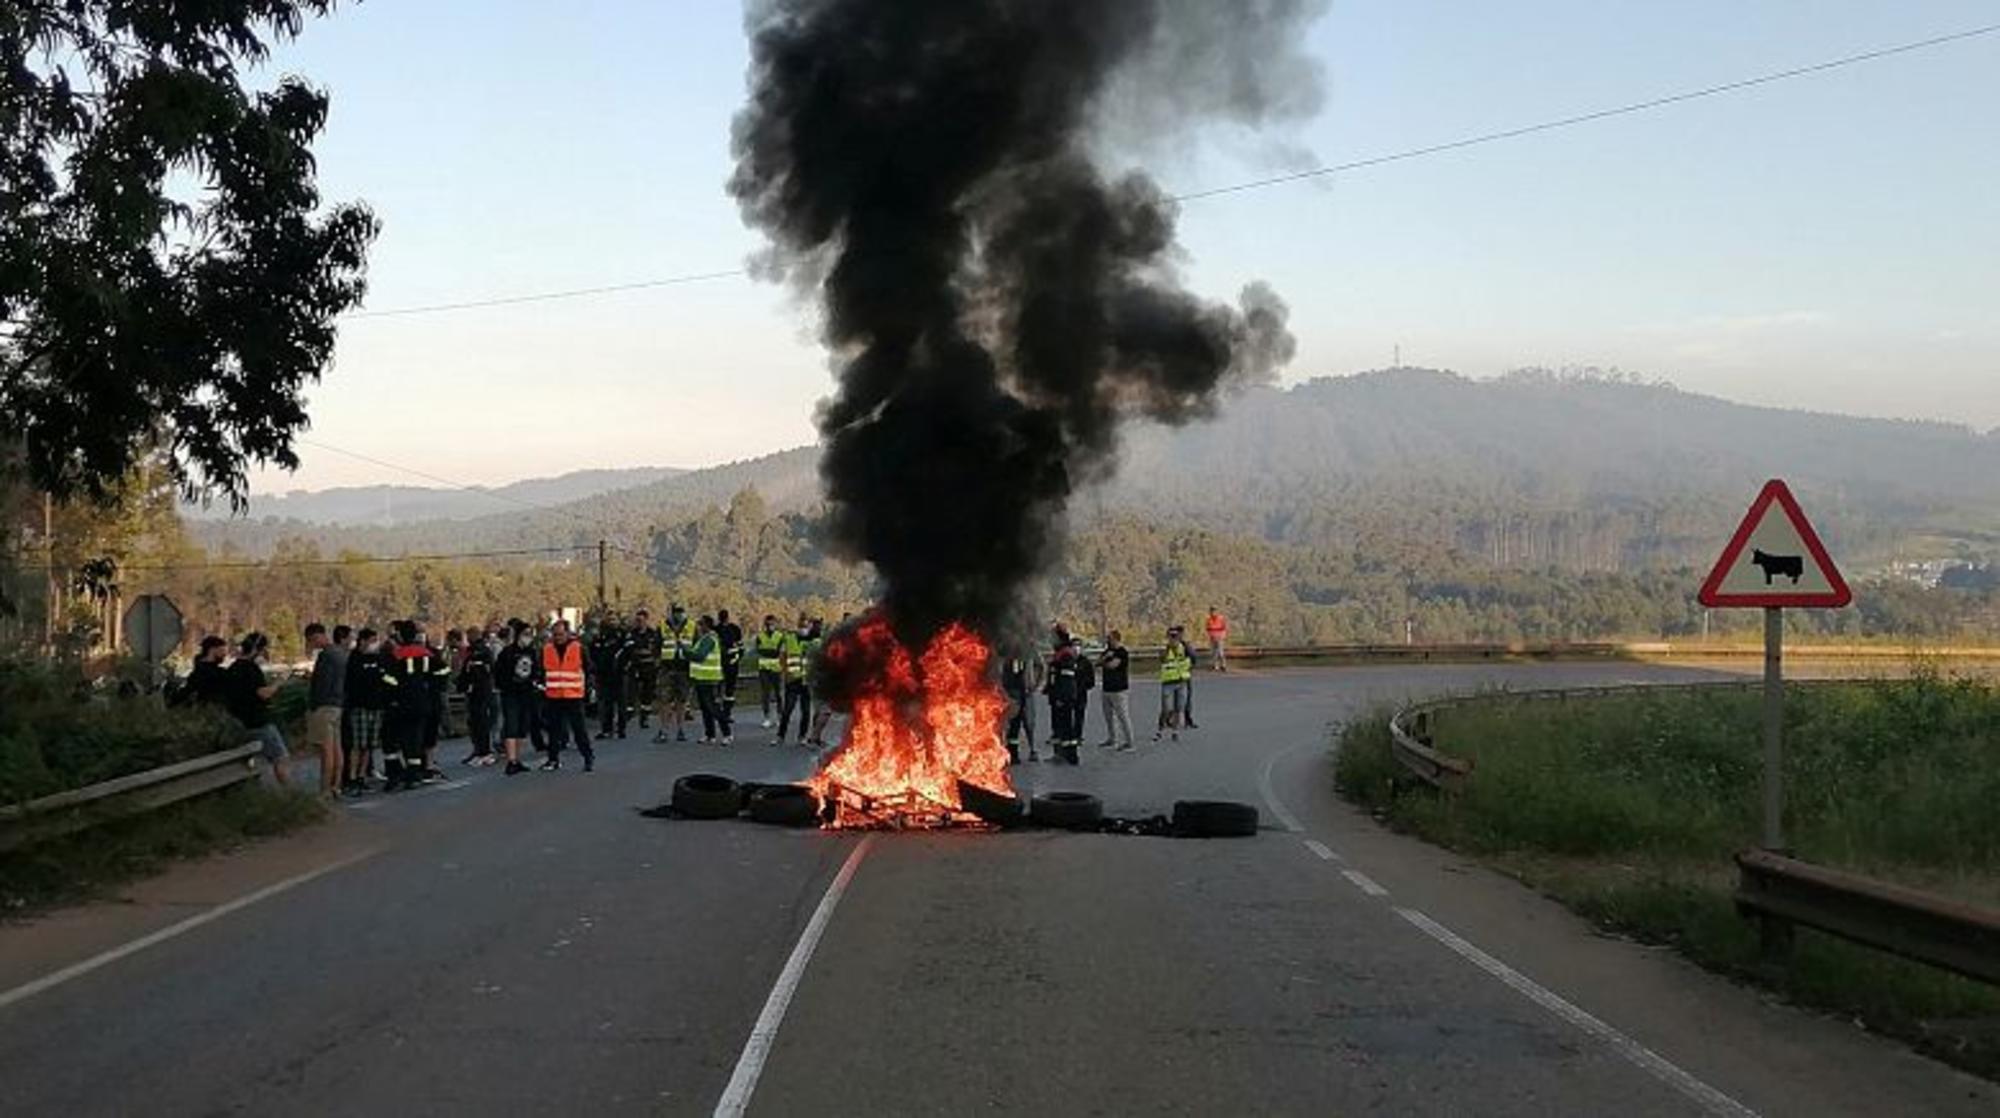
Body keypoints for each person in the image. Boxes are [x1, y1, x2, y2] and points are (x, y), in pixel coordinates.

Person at [225, 632, 290, 787]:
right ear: (257, 650)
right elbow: (263, 693)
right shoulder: (251, 669)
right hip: (258, 722)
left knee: (251, 760)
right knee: (281, 757)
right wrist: (280, 681)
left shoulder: (233, 668)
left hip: (238, 722)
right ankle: (289, 792)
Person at [539, 617, 594, 771]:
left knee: (579, 729)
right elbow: (541, 671)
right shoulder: (547, 649)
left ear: (568, 633)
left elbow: (588, 669)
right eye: (555, 634)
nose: (558, 638)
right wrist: (541, 686)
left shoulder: (579, 648)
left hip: (573, 695)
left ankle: (588, 757)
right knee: (554, 730)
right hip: (553, 695)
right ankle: (553, 759)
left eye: (561, 634)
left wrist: (589, 688)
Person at [305, 622, 350, 800]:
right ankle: (336, 786)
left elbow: (322, 683)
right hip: (338, 704)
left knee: (326, 750)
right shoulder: (341, 654)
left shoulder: (326, 656)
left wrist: (314, 705)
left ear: (317, 637)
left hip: (324, 705)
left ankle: (325, 789)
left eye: (311, 640)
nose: (312, 644)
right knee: (337, 749)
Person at [342, 628, 390, 795]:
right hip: (359, 706)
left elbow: (384, 677)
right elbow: (351, 683)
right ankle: (352, 777)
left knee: (369, 745)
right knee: (357, 745)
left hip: (376, 706)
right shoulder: (354, 659)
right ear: (362, 641)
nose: (374, 644)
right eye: (372, 641)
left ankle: (362, 776)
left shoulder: (378, 658)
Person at [494, 618, 539, 775]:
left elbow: (535, 671)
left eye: (530, 634)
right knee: (511, 725)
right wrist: (506, 686)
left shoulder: (532, 652)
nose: (528, 637)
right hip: (511, 694)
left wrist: (535, 683)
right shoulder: (507, 653)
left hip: (526, 693)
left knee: (522, 727)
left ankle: (517, 759)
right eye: (525, 634)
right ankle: (511, 760)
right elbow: (499, 673)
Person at [656, 604, 698, 743]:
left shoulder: (692, 626)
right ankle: (664, 730)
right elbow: (656, 646)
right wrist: (658, 662)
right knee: (664, 700)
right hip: (667, 668)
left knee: (682, 700)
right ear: (671, 613)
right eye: (676, 612)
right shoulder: (663, 626)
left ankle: (681, 729)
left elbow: (696, 645)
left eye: (681, 612)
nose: (678, 615)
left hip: (684, 668)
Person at [689, 613, 733, 745]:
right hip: (700, 678)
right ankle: (710, 734)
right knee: (705, 708)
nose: (698, 626)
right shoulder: (702, 639)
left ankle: (727, 733)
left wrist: (685, 652)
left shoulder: (710, 639)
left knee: (713, 708)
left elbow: (700, 655)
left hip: (710, 678)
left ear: (706, 626)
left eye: (701, 624)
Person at [459, 626, 498, 765]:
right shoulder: (475, 651)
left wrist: (465, 683)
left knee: (480, 722)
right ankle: (479, 750)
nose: (467, 639)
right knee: (475, 722)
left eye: (469, 635)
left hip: (479, 690)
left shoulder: (480, 651)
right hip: (476, 690)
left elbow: (477, 672)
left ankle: (484, 751)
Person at [777, 616, 818, 746]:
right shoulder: (789, 639)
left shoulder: (813, 642)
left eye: (806, 627)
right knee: (787, 710)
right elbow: (782, 657)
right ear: (798, 626)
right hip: (792, 679)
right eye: (801, 626)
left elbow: (816, 660)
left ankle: (802, 737)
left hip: (806, 681)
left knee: (806, 711)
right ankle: (780, 736)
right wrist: (785, 673)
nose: (803, 629)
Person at [589, 614, 629, 740]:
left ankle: (621, 729)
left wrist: (624, 666)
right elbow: (593, 651)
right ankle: (606, 729)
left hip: (619, 674)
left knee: (621, 702)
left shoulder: (623, 635)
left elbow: (629, 651)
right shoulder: (600, 637)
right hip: (603, 674)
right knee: (606, 703)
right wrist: (596, 667)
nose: (611, 622)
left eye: (614, 620)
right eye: (609, 619)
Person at [1045, 635, 1082, 766]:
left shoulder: (1066, 656)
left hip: (1063, 698)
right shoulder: (1059, 656)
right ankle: (1059, 753)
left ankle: (1071, 755)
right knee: (1058, 726)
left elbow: (1067, 682)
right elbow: (1054, 678)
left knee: (1066, 726)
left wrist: (1062, 697)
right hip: (1056, 697)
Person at [1001, 646, 1041, 763]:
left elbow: (1041, 666)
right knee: (1013, 722)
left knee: (1029, 722)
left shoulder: (1030, 650)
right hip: (1012, 691)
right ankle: (1012, 752)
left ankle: (1032, 750)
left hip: (1026, 692)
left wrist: (1035, 684)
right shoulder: (1007, 651)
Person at [625, 608, 661, 732]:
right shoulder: (631, 634)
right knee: (631, 691)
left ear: (646, 620)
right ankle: (628, 714)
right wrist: (640, 651)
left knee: (647, 694)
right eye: (637, 620)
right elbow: (629, 649)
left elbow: (657, 650)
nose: (639, 623)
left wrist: (654, 659)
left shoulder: (653, 634)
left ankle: (644, 717)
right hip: (635, 667)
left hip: (649, 668)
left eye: (641, 620)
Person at [1155, 624, 1193, 742]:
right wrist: (1168, 648)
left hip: (1181, 681)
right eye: (1171, 636)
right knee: (1166, 708)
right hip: (1168, 682)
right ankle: (1160, 730)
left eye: (1175, 636)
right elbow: (1162, 659)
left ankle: (1175, 731)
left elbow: (1192, 658)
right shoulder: (1165, 649)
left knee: (1178, 708)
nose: (1173, 638)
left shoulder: (1184, 647)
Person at [1097, 630, 1134, 751]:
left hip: (1119, 689)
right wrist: (1105, 658)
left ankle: (1129, 741)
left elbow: (1113, 665)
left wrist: (1105, 660)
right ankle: (1112, 738)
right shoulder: (1107, 651)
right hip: (1106, 688)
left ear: (1116, 639)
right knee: (1108, 717)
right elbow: (1098, 662)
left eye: (1110, 638)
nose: (1108, 641)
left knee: (1123, 716)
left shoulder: (1122, 652)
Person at [176, 634, 231, 707]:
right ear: (212, 650)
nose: (224, 654)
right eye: (221, 650)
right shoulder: (209, 673)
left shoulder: (200, 669)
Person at [753, 614, 784, 729]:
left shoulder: (780, 636)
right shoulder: (760, 636)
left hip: (776, 668)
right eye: (768, 624)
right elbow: (759, 650)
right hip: (764, 668)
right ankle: (767, 718)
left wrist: (768, 651)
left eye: (772, 623)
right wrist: (771, 651)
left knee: (778, 694)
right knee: (765, 694)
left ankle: (780, 717)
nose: (770, 626)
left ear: (775, 624)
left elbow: (778, 652)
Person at [715, 608, 744, 717]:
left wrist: (736, 658)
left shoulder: (734, 629)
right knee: (722, 688)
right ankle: (722, 711)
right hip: (721, 663)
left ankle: (726, 712)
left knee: (728, 688)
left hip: (731, 663)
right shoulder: (716, 630)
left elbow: (740, 647)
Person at [1205, 606, 1229, 672]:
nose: (1213, 612)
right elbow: (1207, 628)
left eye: (1214, 611)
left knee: (1220, 652)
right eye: (1211, 611)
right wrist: (1209, 636)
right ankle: (1215, 666)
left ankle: (1223, 665)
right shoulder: (1208, 619)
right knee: (1213, 652)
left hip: (1219, 638)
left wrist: (1223, 636)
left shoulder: (1221, 618)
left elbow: (1224, 628)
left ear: (1216, 611)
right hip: (1212, 638)